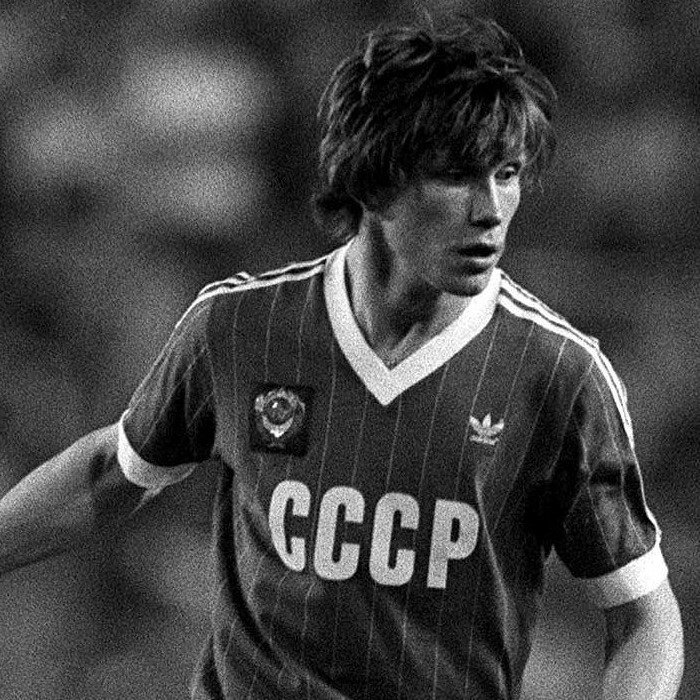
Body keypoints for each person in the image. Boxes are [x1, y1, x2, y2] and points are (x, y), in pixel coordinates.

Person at [0, 12, 684, 700]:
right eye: (456, 176)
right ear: (374, 178)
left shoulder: (558, 377)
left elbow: (643, 617)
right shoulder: (239, 328)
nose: (491, 208)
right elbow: (113, 472)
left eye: (507, 174)